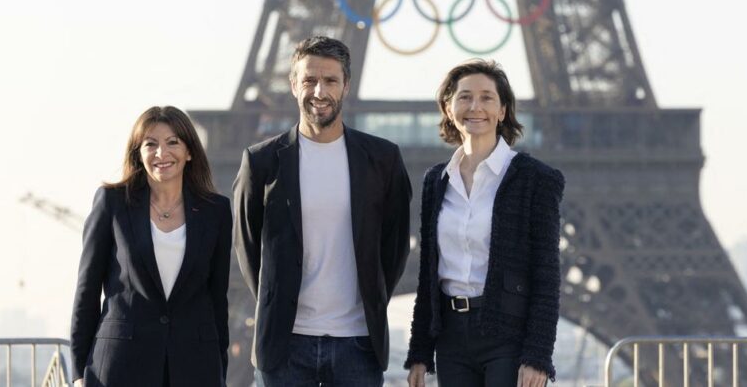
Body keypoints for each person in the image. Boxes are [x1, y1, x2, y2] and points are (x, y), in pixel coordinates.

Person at [233, 35, 412, 386]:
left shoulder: (383, 159)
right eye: (309, 80)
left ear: (346, 85)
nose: (319, 91)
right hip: (285, 345)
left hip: (358, 343)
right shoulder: (261, 161)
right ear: (293, 84)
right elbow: (247, 247)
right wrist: (276, 302)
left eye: (330, 80)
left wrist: (370, 299)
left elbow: (394, 246)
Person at [405, 60, 565, 387]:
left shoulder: (535, 179)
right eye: (464, 97)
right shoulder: (436, 181)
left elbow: (545, 274)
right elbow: (428, 275)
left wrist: (537, 355)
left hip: (507, 337)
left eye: (487, 98)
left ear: (503, 110)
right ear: (449, 109)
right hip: (450, 337)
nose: (475, 106)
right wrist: (420, 352)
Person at [70, 106, 232, 387]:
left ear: (189, 151)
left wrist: (219, 367)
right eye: (151, 144)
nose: (161, 153)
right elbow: (87, 291)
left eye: (172, 143)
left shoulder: (215, 211)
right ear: (138, 153)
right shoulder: (112, 203)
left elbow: (217, 298)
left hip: (194, 366)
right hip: (120, 365)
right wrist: (78, 373)